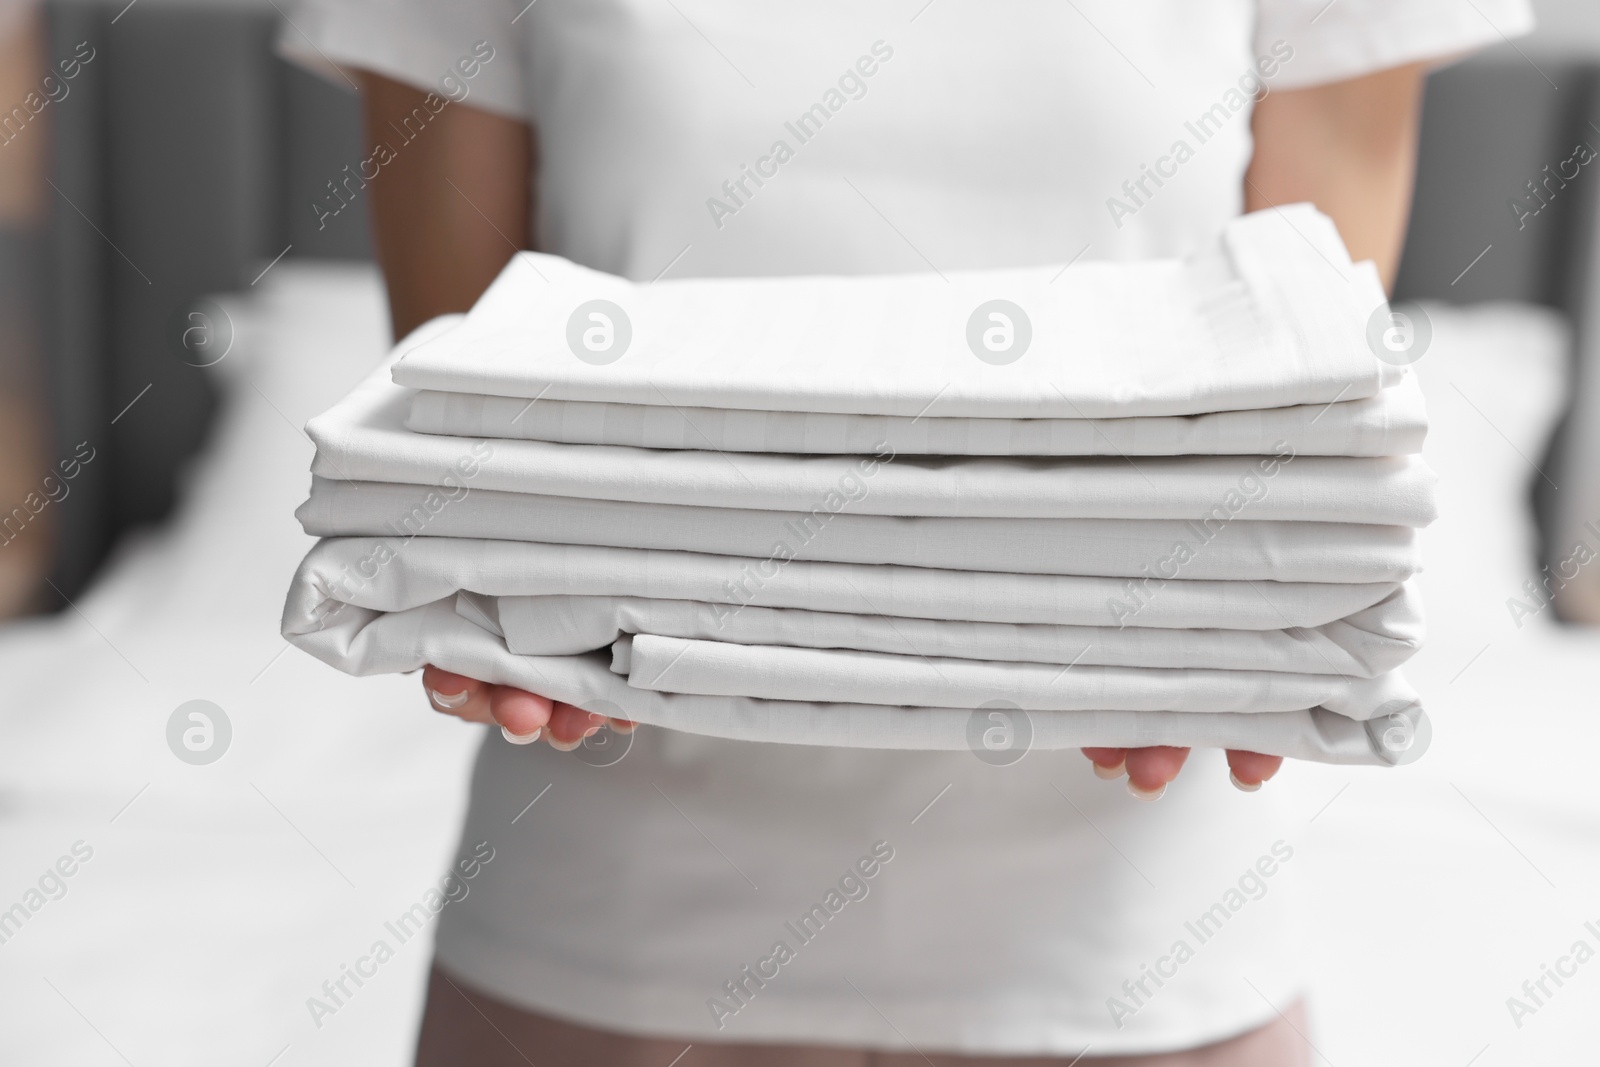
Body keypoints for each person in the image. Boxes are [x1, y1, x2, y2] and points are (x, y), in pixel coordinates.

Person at [285, 2, 1531, 1062]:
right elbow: (463, 414)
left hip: (1142, 964)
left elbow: (1299, 409)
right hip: (595, 944)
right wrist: (489, 613)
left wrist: (1240, 634)